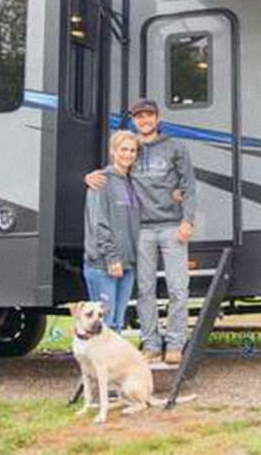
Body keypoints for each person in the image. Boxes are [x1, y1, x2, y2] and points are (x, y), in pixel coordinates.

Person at [86, 98, 196, 364]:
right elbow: (113, 176)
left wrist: (187, 220)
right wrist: (90, 177)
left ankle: (175, 342)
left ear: (157, 118)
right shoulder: (130, 147)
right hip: (142, 231)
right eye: (139, 117)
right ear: (134, 120)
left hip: (172, 226)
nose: (144, 121)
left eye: (149, 116)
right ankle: (150, 343)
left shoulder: (175, 146)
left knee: (178, 288)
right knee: (145, 289)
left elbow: (188, 185)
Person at [82, 130, 142, 333]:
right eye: (124, 149)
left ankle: (114, 365)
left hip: (127, 265)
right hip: (104, 264)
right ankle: (102, 366)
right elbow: (98, 223)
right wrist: (112, 257)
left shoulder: (133, 183)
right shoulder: (101, 181)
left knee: (116, 323)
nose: (128, 154)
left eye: (133, 150)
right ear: (113, 152)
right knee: (103, 325)